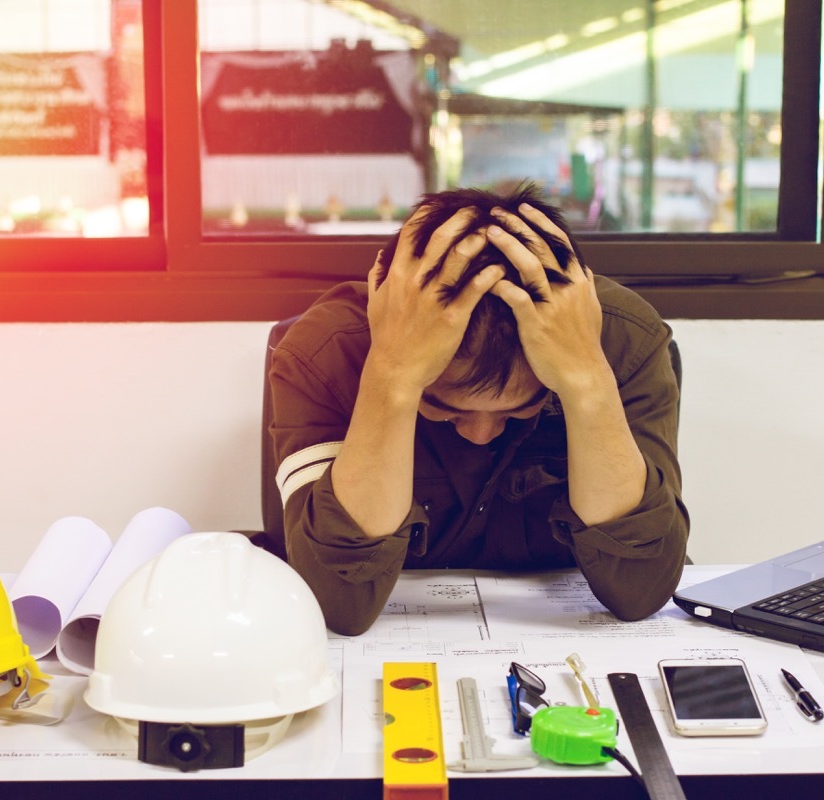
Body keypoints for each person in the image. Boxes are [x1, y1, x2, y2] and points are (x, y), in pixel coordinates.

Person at [268, 184, 688, 635]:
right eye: (446, 409)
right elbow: (337, 603)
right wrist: (392, 375)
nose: (480, 433)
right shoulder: (324, 354)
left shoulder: (625, 344)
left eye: (519, 409)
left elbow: (641, 589)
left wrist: (585, 381)